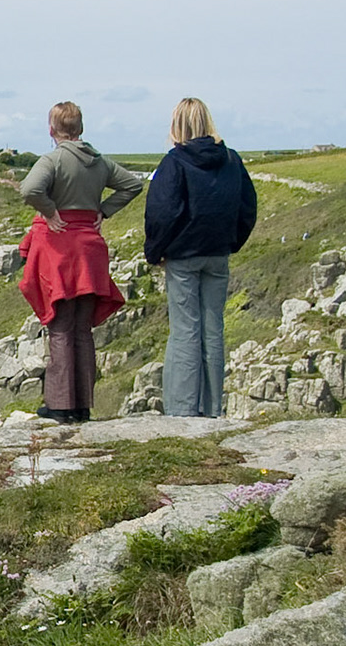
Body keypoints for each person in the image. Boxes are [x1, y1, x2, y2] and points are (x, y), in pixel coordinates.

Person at [17, 101, 143, 422]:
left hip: (60, 251)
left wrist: (50, 211)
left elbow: (29, 189)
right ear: (81, 128)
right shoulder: (99, 162)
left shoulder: (53, 160)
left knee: (61, 327)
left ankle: (61, 405)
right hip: (91, 250)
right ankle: (82, 405)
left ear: (52, 130)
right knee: (83, 329)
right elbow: (133, 184)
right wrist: (103, 211)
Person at [144, 97, 258, 419]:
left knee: (185, 331)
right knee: (213, 329)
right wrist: (231, 242)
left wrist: (155, 251)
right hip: (217, 254)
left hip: (182, 256)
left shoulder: (175, 162)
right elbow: (247, 207)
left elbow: (163, 212)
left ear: (177, 125)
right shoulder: (231, 160)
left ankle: (182, 411)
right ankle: (211, 408)